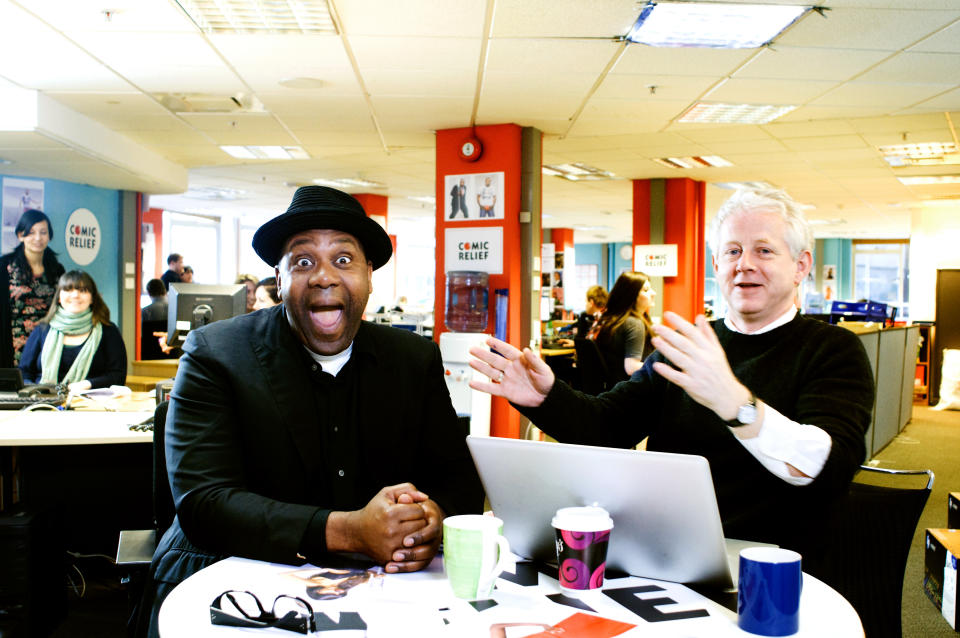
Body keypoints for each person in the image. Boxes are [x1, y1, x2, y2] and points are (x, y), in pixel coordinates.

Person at [468, 187, 874, 572]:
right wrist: (546, 397)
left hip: (773, 565)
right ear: (716, 265)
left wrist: (737, 406)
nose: (744, 264)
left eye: (763, 250)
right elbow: (607, 426)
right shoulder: (687, 347)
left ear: (801, 265)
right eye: (732, 251)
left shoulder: (832, 349)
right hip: (665, 556)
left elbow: (829, 466)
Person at [139, 185, 483, 637]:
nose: (323, 276)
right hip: (229, 578)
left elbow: (458, 482)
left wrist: (429, 521)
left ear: (369, 275)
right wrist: (350, 532)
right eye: (302, 261)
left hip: (385, 591)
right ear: (279, 279)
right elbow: (204, 504)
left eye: (344, 259)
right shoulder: (217, 354)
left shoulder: (413, 359)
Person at [19, 270, 127, 391]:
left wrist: (87, 384)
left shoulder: (108, 331)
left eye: (83, 290)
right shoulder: (42, 329)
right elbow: (24, 373)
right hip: (43, 401)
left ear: (92, 298)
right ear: (59, 297)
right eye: (68, 290)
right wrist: (34, 390)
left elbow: (118, 376)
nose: (75, 295)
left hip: (90, 404)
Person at [0, 209, 65, 367]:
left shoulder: (57, 270)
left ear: (49, 236)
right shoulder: (5, 266)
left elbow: (62, 308)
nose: (37, 238)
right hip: (11, 344)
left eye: (43, 232)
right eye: (31, 232)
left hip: (47, 343)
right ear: (20, 236)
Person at [591, 271, 655, 382]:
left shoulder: (611, 320)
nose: (653, 293)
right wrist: (663, 366)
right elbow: (631, 367)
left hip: (611, 388)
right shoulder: (634, 323)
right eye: (646, 290)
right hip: (631, 391)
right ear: (631, 295)